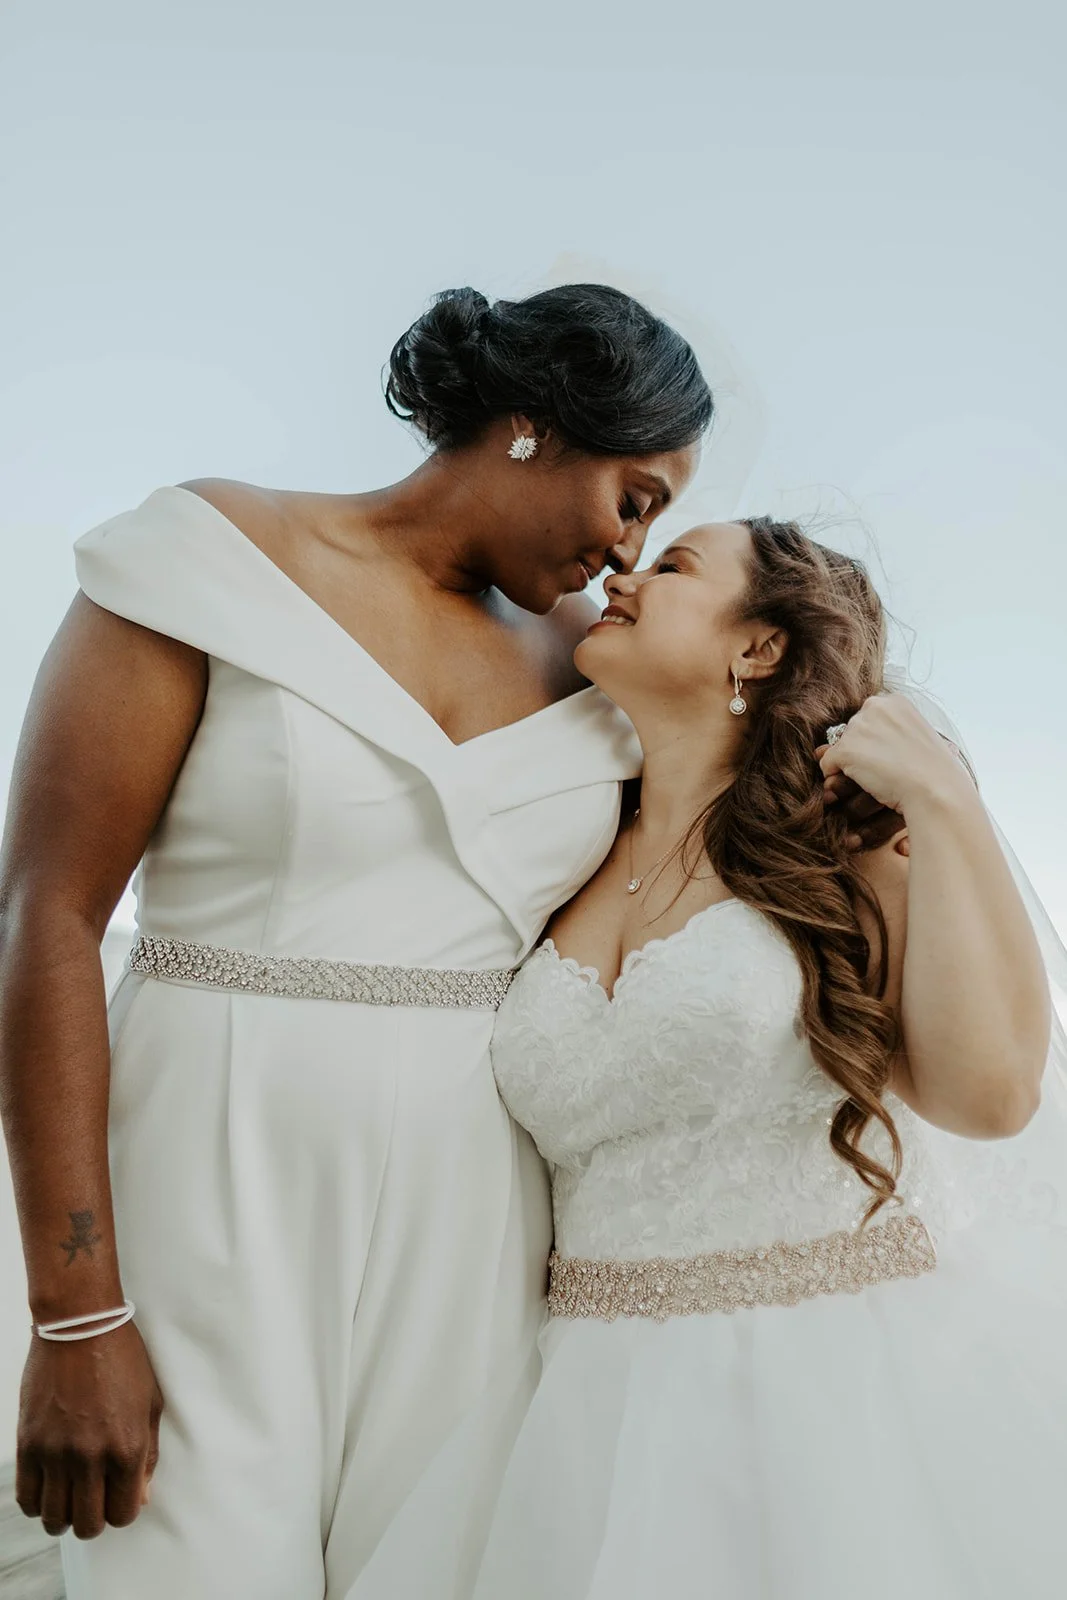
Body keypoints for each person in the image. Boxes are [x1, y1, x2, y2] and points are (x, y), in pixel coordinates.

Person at [0, 283, 712, 1598]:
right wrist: (77, 1313)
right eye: (635, 495)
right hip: (207, 1174)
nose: (627, 555)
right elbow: (46, 916)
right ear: (529, 427)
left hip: (478, 1217)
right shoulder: (209, 563)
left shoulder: (592, 673)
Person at [348, 517, 1067, 1600]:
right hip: (580, 1408)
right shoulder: (566, 851)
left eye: (673, 565)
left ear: (759, 650)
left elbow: (989, 1093)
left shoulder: (850, 842)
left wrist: (945, 803)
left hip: (834, 1395)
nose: (624, 576)